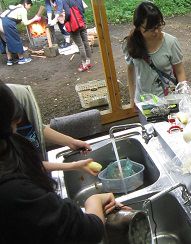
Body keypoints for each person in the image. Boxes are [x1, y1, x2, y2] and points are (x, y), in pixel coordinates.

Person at [0, 80, 125, 243]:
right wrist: (93, 200)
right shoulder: (16, 193)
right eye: (13, 123)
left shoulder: (8, 148)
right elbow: (89, 231)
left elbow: (27, 164)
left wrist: (72, 158)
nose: (17, 125)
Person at [7, 83, 96, 175]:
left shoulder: (17, 95)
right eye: (14, 122)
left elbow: (37, 128)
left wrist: (71, 142)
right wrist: (73, 166)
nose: (18, 122)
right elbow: (23, 167)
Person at [124, 1, 187, 114]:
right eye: (151, 29)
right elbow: (130, 70)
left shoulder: (171, 42)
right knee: (150, 129)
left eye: (158, 25)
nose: (157, 31)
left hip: (168, 99)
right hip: (144, 101)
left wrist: (183, 95)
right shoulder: (130, 43)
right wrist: (132, 99)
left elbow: (180, 71)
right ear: (139, 27)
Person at [59, 0, 92, 72]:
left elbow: (68, 13)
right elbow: (83, 10)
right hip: (82, 23)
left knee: (80, 45)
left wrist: (64, 21)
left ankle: (84, 64)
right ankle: (88, 62)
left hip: (74, 26)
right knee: (86, 43)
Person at [0, 0, 40, 66]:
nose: (29, 8)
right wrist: (35, 18)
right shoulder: (22, 9)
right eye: (29, 6)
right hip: (6, 24)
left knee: (7, 41)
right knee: (16, 40)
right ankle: (21, 59)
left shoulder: (14, 8)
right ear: (26, 4)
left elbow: (19, 21)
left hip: (1, 22)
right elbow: (25, 23)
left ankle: (10, 60)